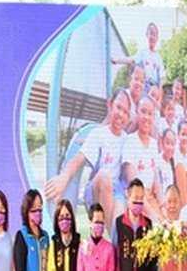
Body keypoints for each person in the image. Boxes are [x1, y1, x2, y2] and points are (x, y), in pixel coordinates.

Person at [44, 88, 130, 233]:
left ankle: (115, 241)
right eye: (118, 107)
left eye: (126, 112)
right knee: (105, 177)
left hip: (116, 192)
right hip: (97, 188)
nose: (121, 114)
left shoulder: (127, 139)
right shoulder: (98, 134)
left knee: (120, 217)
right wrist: (64, 177)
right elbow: (78, 159)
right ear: (110, 105)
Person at [122, 96, 162, 220]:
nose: (146, 117)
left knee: (167, 223)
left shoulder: (154, 144)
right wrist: (152, 215)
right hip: (137, 200)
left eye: (150, 114)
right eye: (143, 111)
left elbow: (156, 180)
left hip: (150, 197)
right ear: (136, 113)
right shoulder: (130, 142)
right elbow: (133, 185)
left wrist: (163, 206)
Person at [114, 23, 165, 95]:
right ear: (147, 34)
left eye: (155, 35)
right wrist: (117, 61)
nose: (152, 37)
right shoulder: (143, 53)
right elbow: (131, 60)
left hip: (154, 88)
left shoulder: (158, 58)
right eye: (151, 34)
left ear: (157, 37)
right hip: (143, 86)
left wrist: (159, 97)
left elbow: (161, 80)